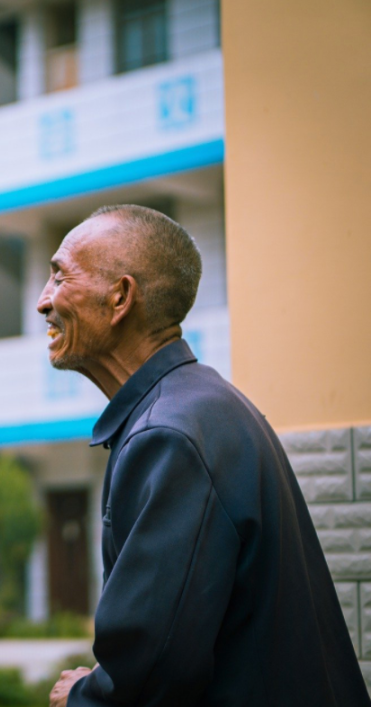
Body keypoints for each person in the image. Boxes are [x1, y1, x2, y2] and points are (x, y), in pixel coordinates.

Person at [38, 205, 369, 707]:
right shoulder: (199, 406)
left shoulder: (169, 436)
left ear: (120, 297)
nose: (44, 301)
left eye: (60, 276)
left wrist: (84, 697)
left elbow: (154, 666)